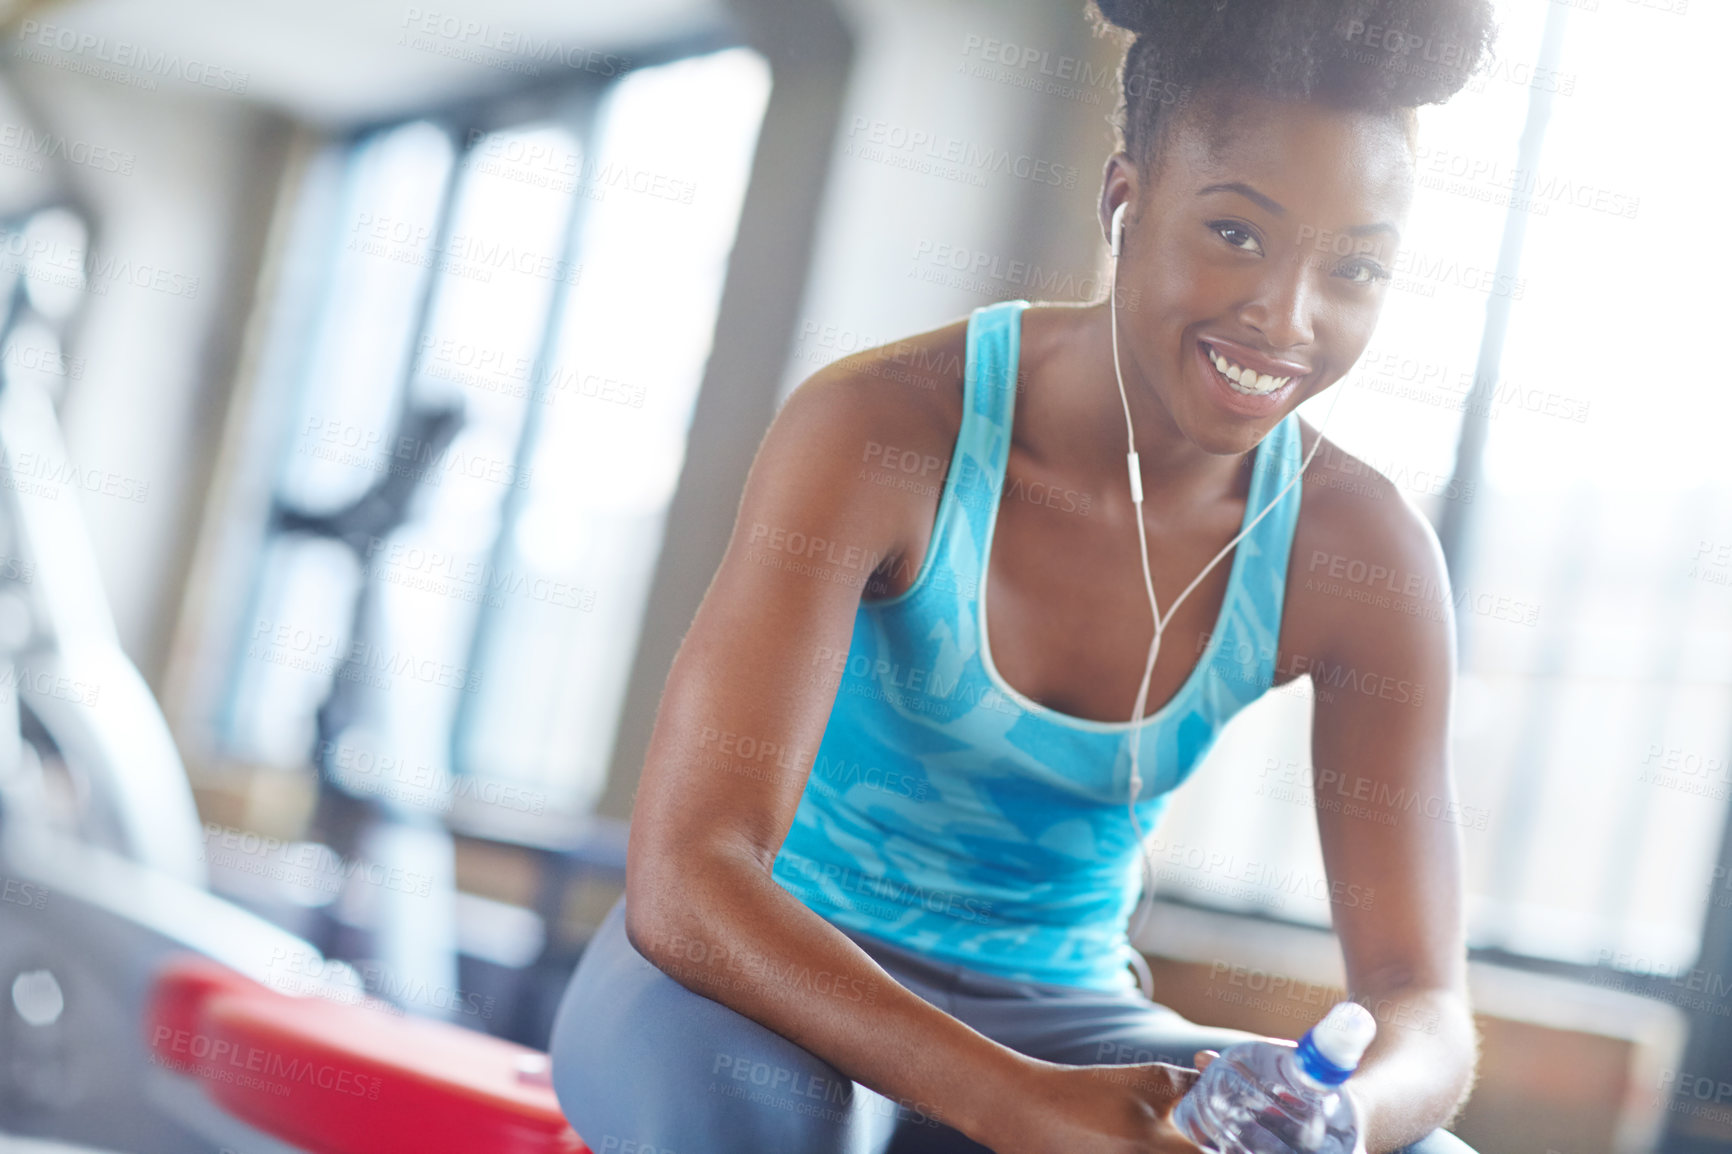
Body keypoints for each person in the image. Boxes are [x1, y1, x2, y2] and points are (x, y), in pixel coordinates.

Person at [549, 0, 1497, 1150]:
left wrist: (1332, 1114)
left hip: (1068, 1011)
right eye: (1236, 234)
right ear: (1123, 200)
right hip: (759, 973)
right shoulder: (884, 427)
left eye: (1353, 268)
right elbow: (692, 877)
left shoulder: (1361, 552)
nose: (1287, 318)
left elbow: (1424, 1005)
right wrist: (1015, 1104)